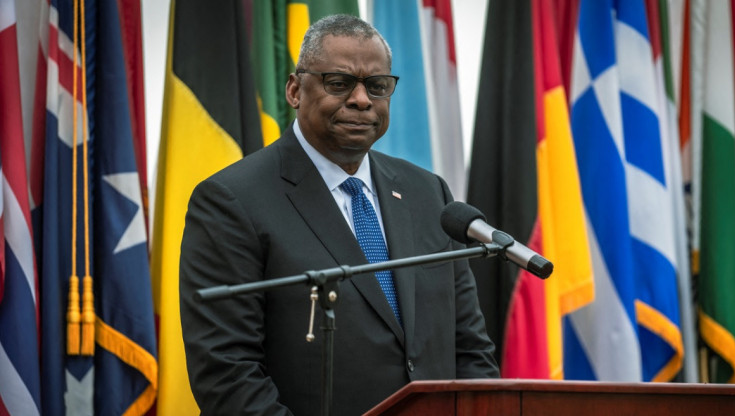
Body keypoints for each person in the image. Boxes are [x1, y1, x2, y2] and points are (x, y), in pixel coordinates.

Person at [179, 14, 499, 416]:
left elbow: (469, 347)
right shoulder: (231, 201)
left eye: (377, 86)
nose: (362, 99)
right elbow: (226, 372)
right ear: (295, 90)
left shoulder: (428, 194)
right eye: (339, 83)